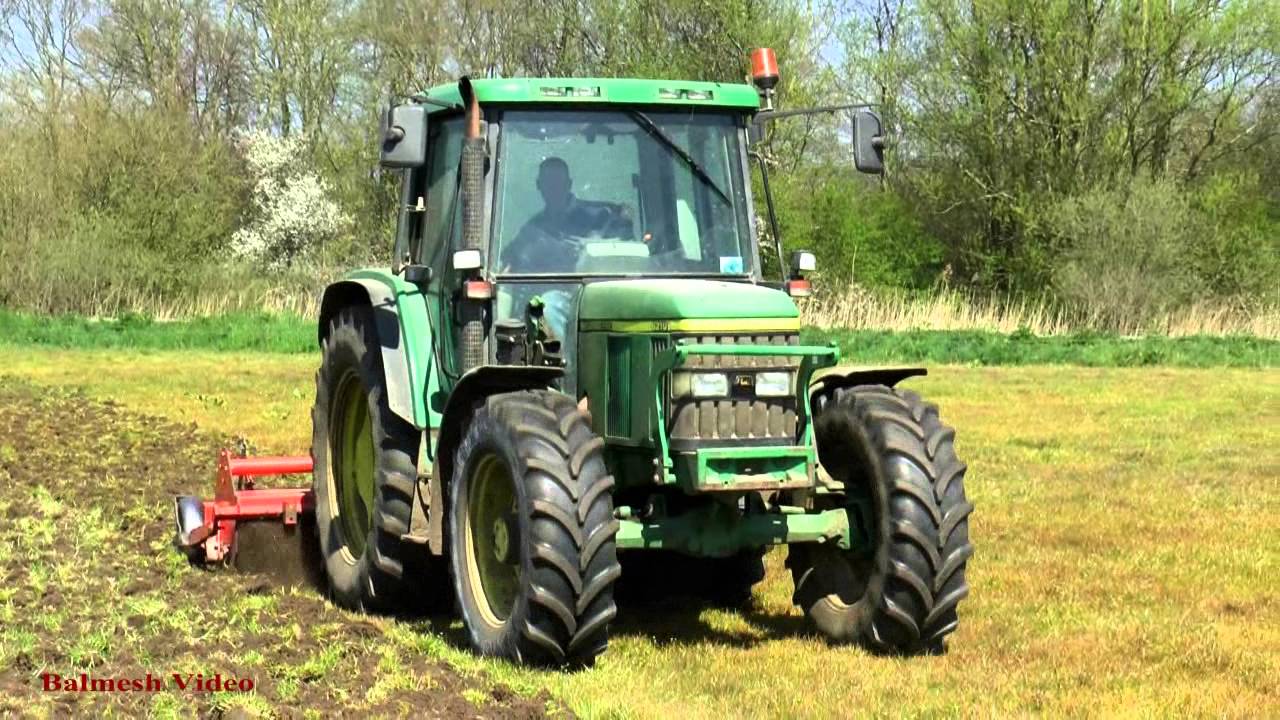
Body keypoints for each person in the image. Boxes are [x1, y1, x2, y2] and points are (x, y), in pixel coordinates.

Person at [500, 157, 633, 273]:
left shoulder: (602, 216)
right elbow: (509, 259)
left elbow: (624, 255)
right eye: (548, 182)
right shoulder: (532, 230)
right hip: (546, 293)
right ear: (539, 185)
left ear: (569, 184)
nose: (553, 187)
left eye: (558, 182)